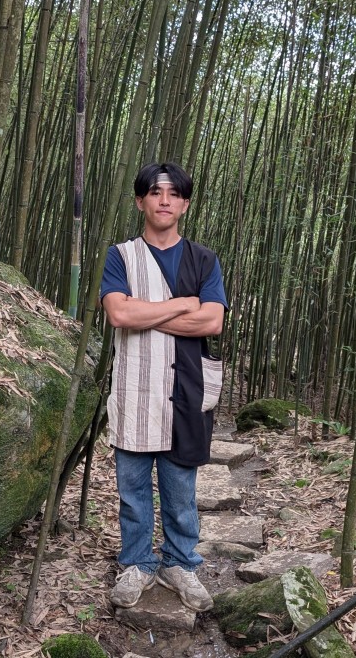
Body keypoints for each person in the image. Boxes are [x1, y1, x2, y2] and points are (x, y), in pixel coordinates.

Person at [99, 162, 228, 611]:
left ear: (185, 204)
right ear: (141, 201)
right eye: (155, 193)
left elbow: (212, 320)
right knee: (133, 492)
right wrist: (181, 305)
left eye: (174, 194)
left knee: (180, 490)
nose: (165, 200)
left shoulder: (203, 259)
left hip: (186, 387)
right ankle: (136, 562)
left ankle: (180, 563)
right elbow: (119, 315)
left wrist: (147, 310)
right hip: (134, 386)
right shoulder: (121, 256)